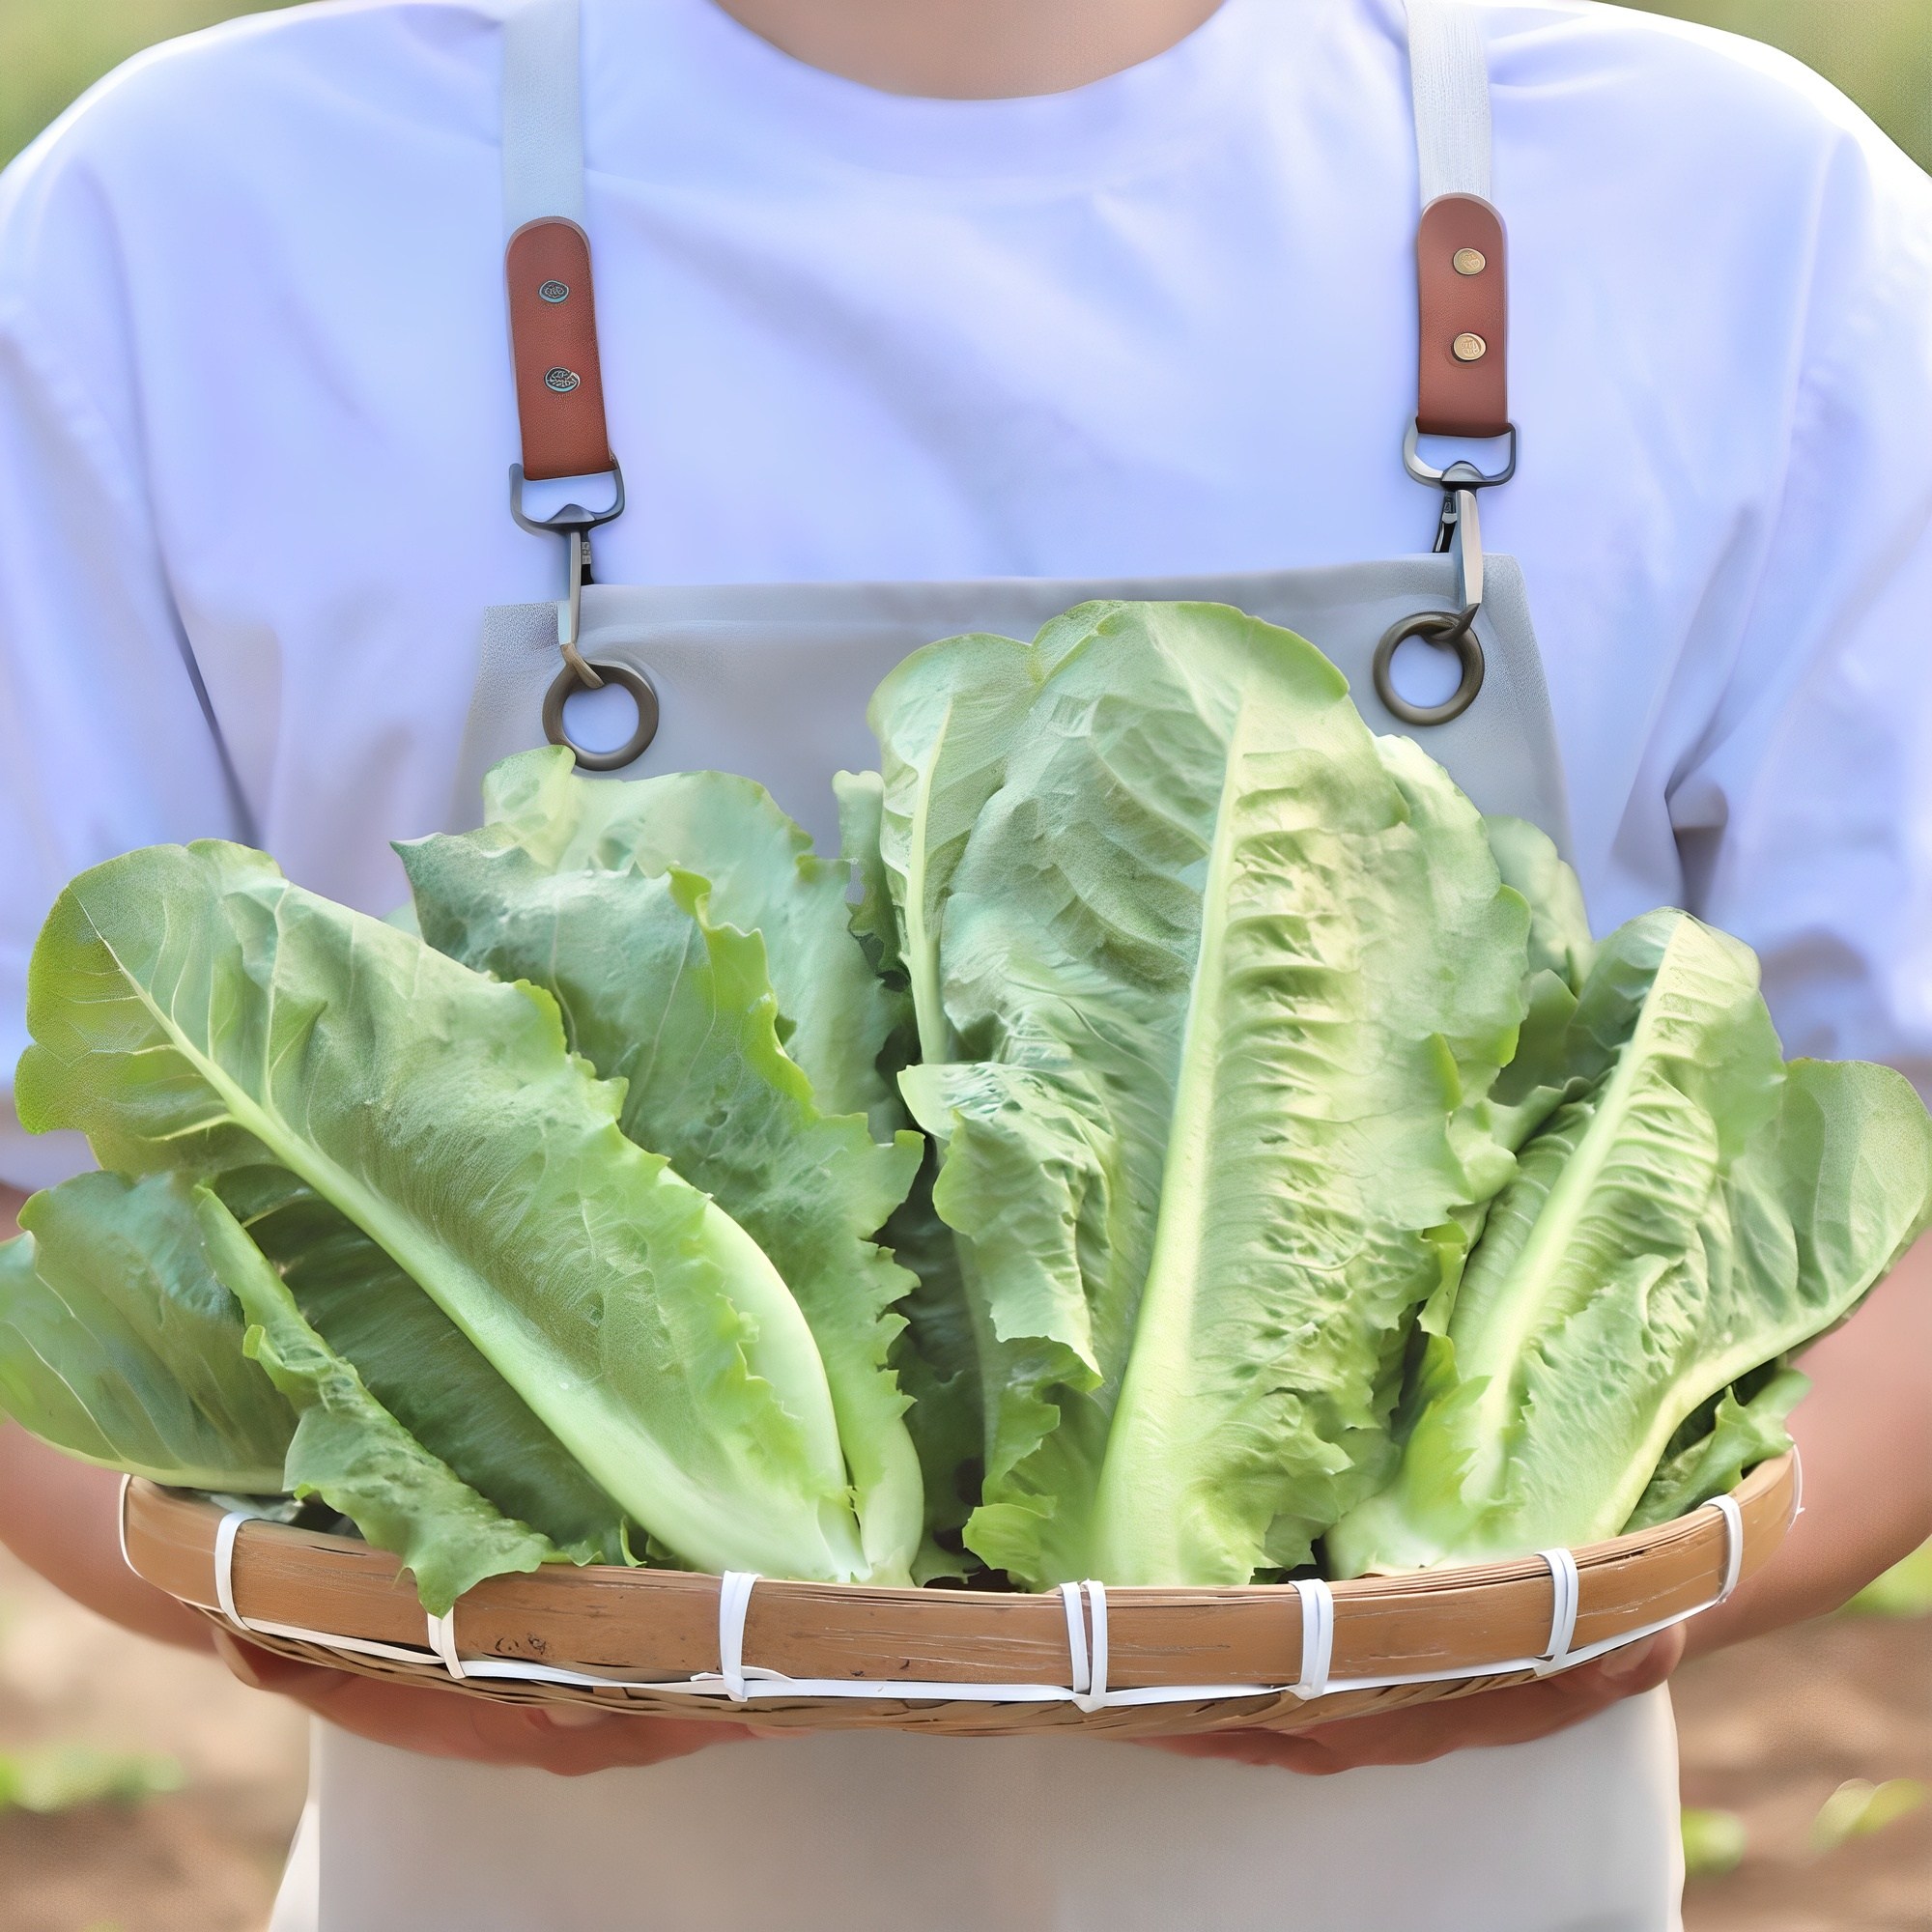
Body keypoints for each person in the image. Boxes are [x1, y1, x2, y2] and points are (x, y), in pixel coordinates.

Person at [1, 0, 1929, 1926]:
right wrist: (368, 1587)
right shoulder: (184, 231)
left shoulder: (1742, 219)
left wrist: (1580, 1594)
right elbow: (44, 1248)